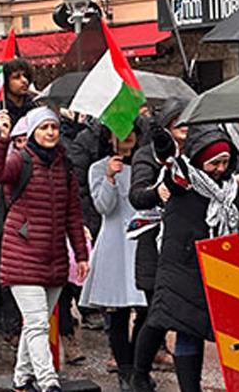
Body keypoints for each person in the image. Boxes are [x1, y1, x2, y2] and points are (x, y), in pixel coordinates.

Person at [133, 126, 239, 392]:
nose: (219, 168)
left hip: (219, 263)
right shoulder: (184, 180)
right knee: (185, 328)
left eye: (225, 162)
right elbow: (173, 168)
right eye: (214, 163)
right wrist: (163, 144)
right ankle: (152, 378)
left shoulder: (230, 188)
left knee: (210, 329)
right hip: (181, 263)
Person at [0, 107, 88, 392]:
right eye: (43, 128)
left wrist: (80, 255)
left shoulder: (65, 166)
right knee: (38, 323)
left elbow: (73, 216)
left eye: (53, 127)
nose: (50, 133)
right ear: (32, 132)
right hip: (22, 255)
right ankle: (48, 381)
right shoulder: (20, 160)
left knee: (36, 324)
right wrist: (2, 139)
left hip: (54, 259)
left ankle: (21, 378)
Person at [81, 126, 146, 392]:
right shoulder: (98, 167)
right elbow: (103, 207)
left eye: (132, 130)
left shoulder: (145, 165)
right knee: (117, 312)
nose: (127, 135)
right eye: (120, 130)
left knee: (146, 309)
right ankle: (125, 370)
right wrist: (109, 177)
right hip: (114, 243)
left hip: (142, 241)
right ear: (109, 137)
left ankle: (138, 366)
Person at [127, 100, 189, 384]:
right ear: (167, 126)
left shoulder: (195, 153)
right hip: (156, 245)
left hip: (189, 242)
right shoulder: (147, 155)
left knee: (178, 315)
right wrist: (158, 190)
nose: (186, 128)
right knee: (156, 314)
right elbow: (137, 195)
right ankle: (138, 375)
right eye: (179, 123)